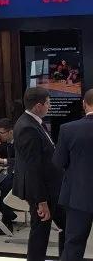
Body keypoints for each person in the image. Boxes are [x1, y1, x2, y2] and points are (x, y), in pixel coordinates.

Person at [13, 87, 65, 261]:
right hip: (42, 192)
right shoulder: (27, 127)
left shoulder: (34, 122)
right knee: (40, 232)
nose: (50, 106)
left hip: (49, 188)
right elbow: (32, 168)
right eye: (48, 103)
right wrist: (41, 201)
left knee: (59, 227)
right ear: (38, 106)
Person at [53, 89, 93, 261]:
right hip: (78, 195)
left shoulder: (68, 129)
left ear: (84, 104)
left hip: (78, 195)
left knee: (73, 245)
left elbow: (58, 162)